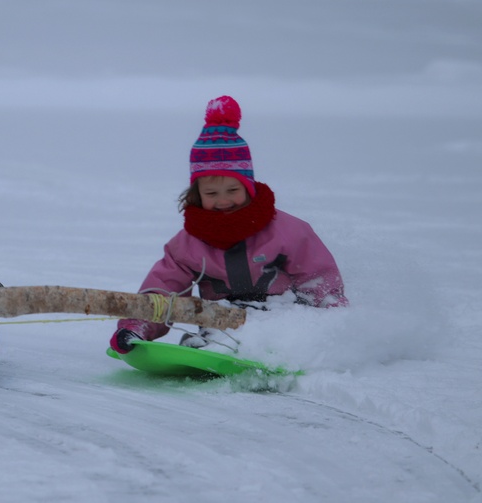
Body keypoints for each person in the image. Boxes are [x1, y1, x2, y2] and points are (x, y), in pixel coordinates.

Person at [110, 95, 347, 354]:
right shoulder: (188, 244)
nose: (223, 201)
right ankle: (211, 351)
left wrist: (334, 329)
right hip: (221, 325)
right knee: (211, 339)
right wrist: (136, 326)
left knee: (279, 340)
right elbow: (163, 290)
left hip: (284, 324)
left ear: (248, 187)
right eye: (211, 194)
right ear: (197, 194)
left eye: (232, 190)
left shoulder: (288, 232)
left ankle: (267, 351)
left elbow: (318, 279)